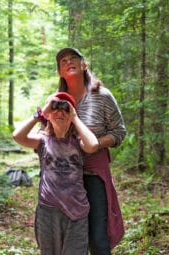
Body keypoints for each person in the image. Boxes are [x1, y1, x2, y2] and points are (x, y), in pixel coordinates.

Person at [54, 47, 126, 255]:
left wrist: (96, 143)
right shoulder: (58, 101)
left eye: (74, 58)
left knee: (97, 237)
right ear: (60, 72)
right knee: (71, 237)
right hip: (65, 178)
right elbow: (46, 133)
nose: (69, 62)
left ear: (84, 64)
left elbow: (119, 131)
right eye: (63, 61)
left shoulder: (102, 96)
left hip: (93, 175)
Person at [12, 92, 99, 255]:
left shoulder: (79, 142)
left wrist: (75, 117)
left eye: (65, 108)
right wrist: (39, 114)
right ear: (48, 115)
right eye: (55, 107)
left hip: (77, 211)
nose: (60, 112)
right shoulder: (42, 140)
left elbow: (93, 145)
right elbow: (17, 136)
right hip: (48, 210)